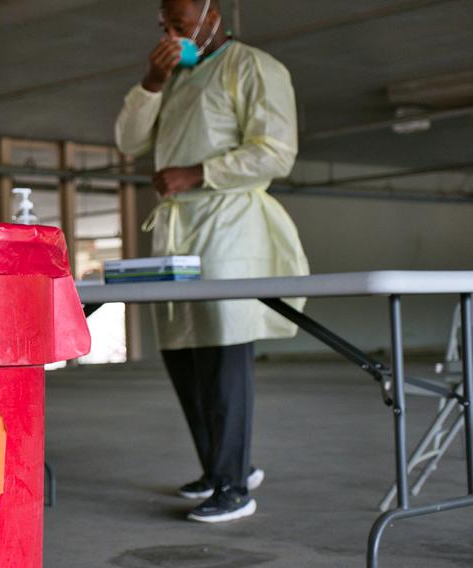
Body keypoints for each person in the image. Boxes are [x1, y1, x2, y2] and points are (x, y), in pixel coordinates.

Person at [115, 0, 309, 523]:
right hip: (179, 230)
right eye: (165, 24)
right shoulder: (174, 76)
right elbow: (130, 140)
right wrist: (153, 80)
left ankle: (234, 484)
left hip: (227, 223)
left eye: (180, 23)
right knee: (183, 350)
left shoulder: (253, 67)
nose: (171, 32)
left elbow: (276, 152)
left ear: (211, 14)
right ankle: (218, 467)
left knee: (223, 351)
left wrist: (197, 173)